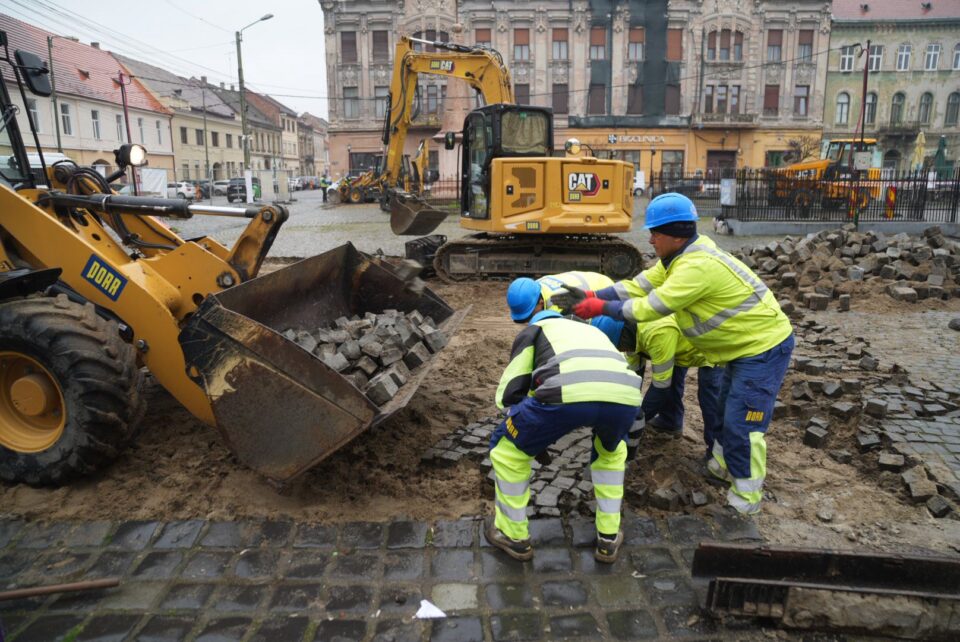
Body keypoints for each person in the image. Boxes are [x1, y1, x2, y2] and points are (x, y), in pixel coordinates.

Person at [568, 192, 794, 516]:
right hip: (740, 349)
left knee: (742, 422)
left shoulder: (696, 267)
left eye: (654, 233)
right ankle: (719, 466)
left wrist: (600, 307)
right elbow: (636, 286)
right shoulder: (677, 259)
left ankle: (745, 501)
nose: (650, 240)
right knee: (725, 407)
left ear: (675, 235)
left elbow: (650, 306)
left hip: (763, 348)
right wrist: (593, 294)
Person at [487, 279, 643, 563]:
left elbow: (511, 392)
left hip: (566, 394)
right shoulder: (590, 331)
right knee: (610, 454)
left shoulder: (535, 331)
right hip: (626, 397)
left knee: (506, 451)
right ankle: (608, 538)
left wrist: (528, 431)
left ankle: (513, 535)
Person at [595, 315, 723, 462]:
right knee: (670, 375)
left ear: (622, 338)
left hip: (713, 344)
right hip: (679, 342)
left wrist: (637, 419)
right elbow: (633, 377)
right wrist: (627, 410)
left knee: (710, 397)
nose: (621, 350)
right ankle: (670, 421)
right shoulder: (631, 336)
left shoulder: (657, 333)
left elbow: (661, 388)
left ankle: (717, 458)